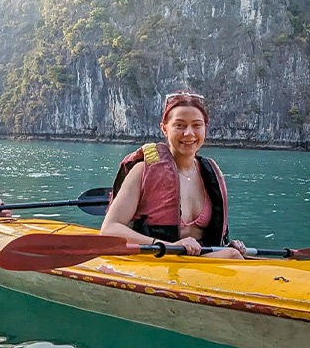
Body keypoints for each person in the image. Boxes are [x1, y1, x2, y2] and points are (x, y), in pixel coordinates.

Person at [102, 91, 246, 259]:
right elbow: (109, 228)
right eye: (180, 125)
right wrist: (166, 245)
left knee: (232, 252)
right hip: (157, 260)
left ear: (205, 127)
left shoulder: (211, 173)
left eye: (197, 125)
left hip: (198, 263)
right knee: (232, 256)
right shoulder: (143, 171)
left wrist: (225, 246)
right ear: (164, 128)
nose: (189, 133)